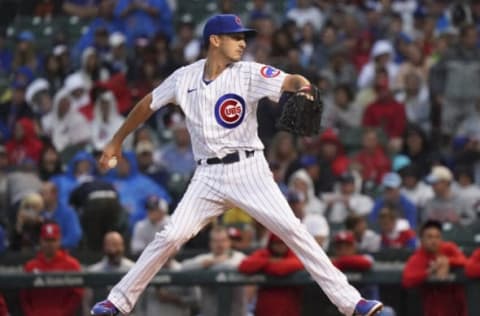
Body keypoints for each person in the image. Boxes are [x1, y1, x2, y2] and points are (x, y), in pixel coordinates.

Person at [91, 14, 383, 316]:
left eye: (244, 37)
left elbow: (289, 80)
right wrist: (116, 141)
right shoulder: (183, 78)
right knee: (171, 235)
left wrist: (305, 87)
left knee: (293, 229)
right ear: (215, 40)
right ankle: (117, 302)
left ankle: (352, 303)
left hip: (248, 169)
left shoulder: (247, 73)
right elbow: (147, 104)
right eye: (235, 37)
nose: (243, 42)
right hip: (207, 174)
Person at [402, 220, 468, 316]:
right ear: (421, 240)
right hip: (433, 309)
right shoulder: (419, 257)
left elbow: (466, 263)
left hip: (458, 308)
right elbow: (407, 280)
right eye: (429, 237)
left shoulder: (449, 248)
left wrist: (447, 261)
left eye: (437, 237)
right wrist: (430, 271)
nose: (434, 240)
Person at [20, 223, 84, 316]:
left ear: (59, 240)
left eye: (53, 240)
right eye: (46, 240)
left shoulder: (72, 264)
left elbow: (77, 295)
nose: (49, 244)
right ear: (40, 241)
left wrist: (63, 314)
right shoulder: (31, 266)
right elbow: (24, 296)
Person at [181, 226, 246, 316]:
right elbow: (183, 267)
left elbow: (234, 266)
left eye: (223, 240)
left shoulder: (238, 257)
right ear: (210, 243)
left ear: (229, 241)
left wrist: (215, 263)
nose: (219, 244)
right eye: (216, 241)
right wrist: (204, 264)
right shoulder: (207, 259)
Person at [238, 233, 304, 316]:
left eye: (283, 243)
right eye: (277, 243)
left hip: (289, 308)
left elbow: (283, 269)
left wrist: (265, 266)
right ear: (271, 243)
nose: (280, 246)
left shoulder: (293, 254)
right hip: (265, 308)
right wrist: (267, 261)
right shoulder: (265, 254)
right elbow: (244, 266)